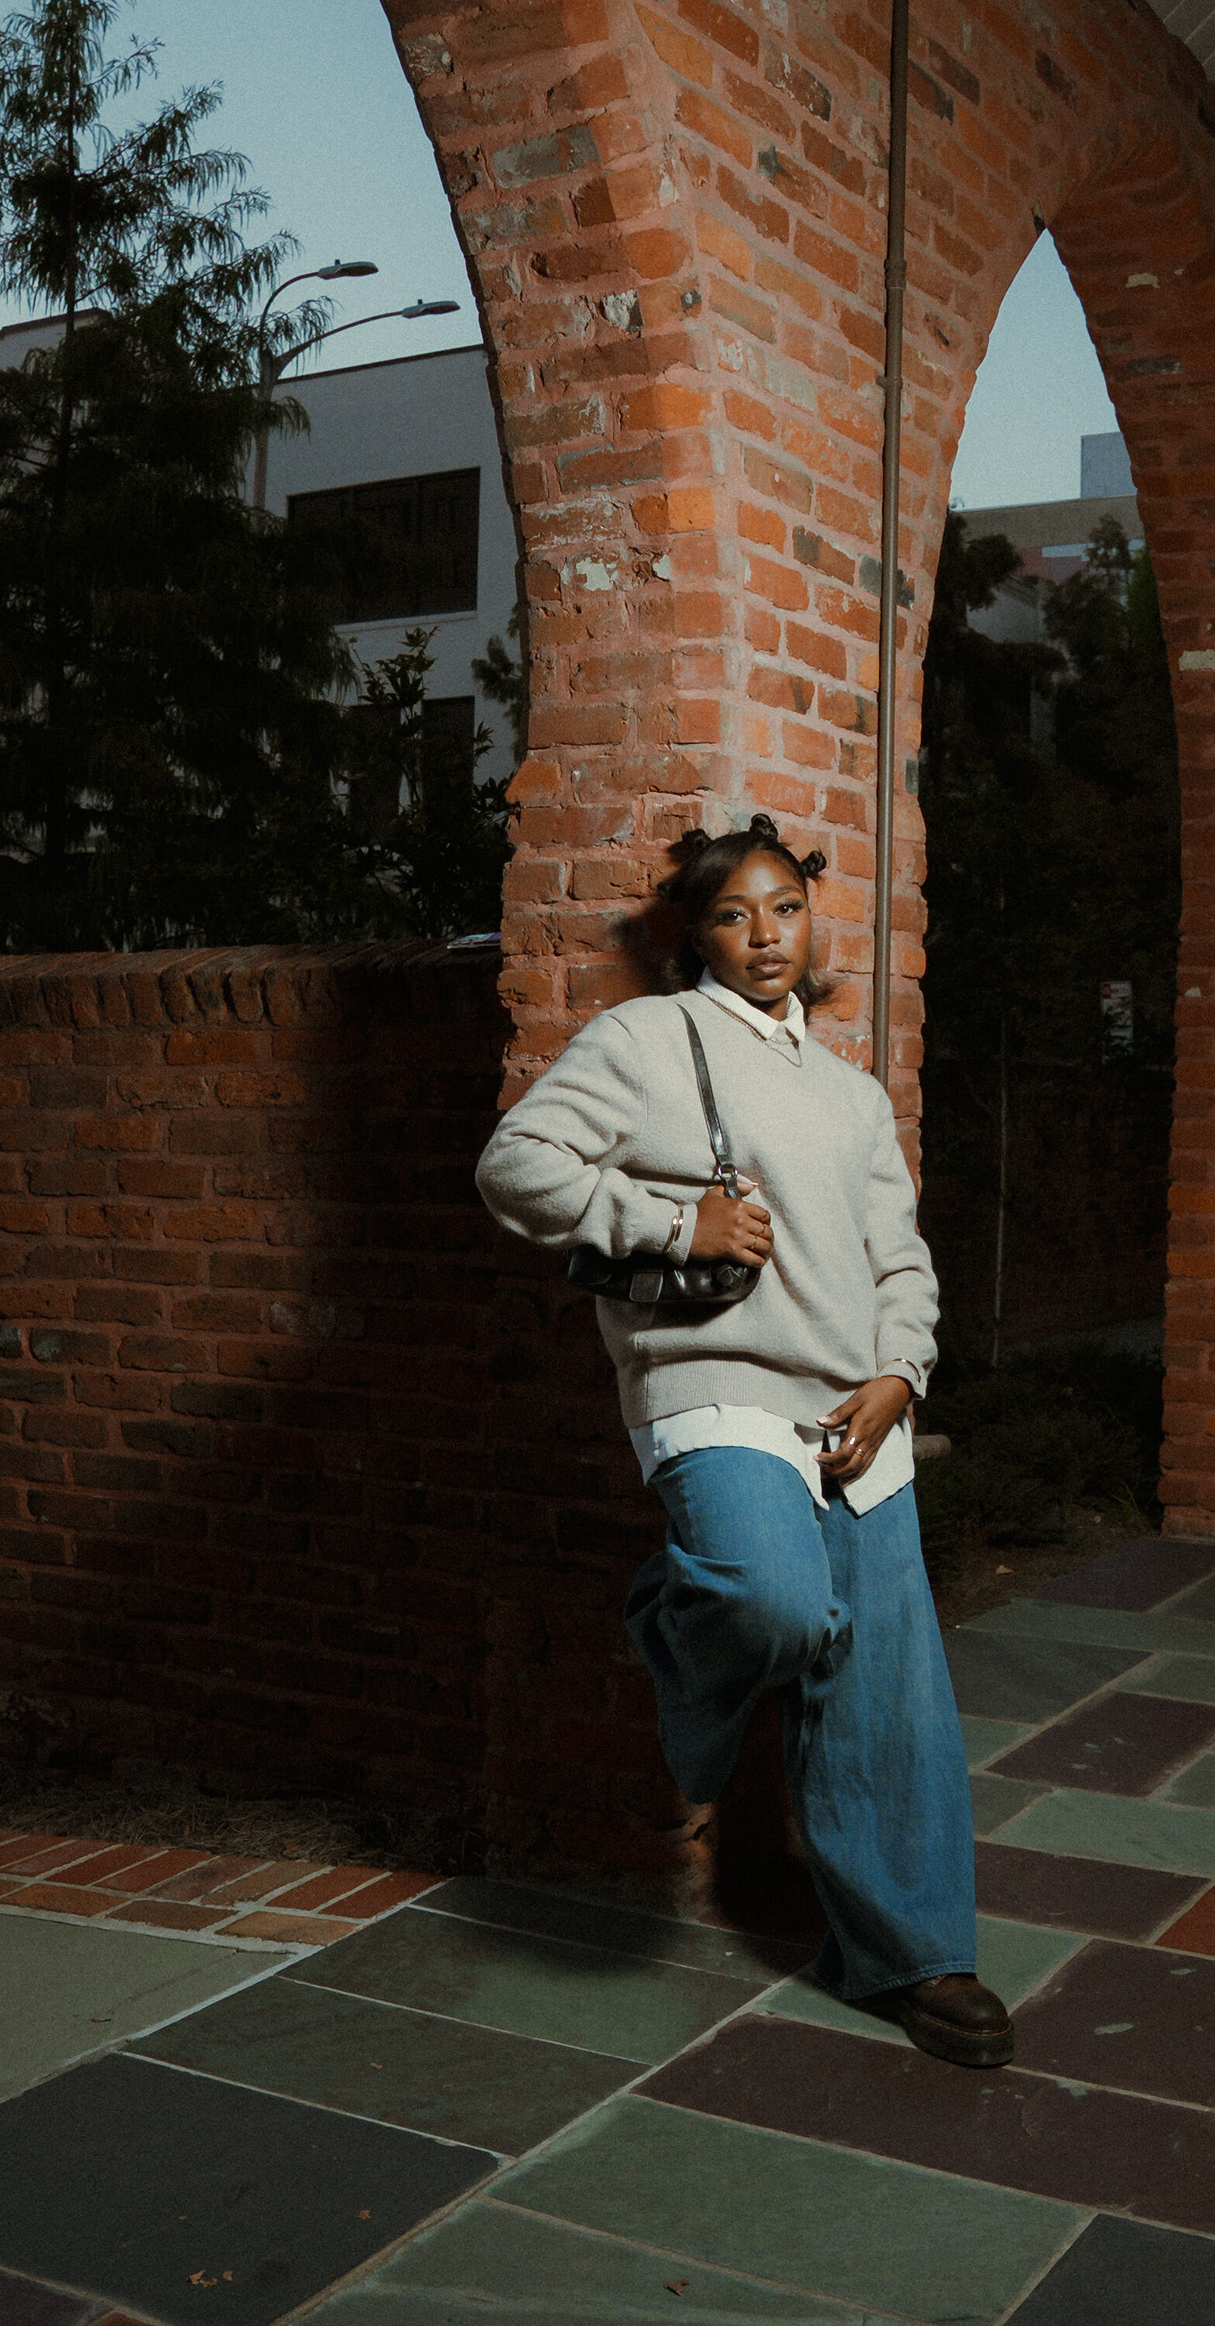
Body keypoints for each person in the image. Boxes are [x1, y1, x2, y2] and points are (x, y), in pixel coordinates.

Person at [475, 815, 1013, 2067]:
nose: (765, 936)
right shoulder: (649, 1040)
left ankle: (914, 1958)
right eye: (733, 915)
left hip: (852, 1408)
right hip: (713, 1382)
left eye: (785, 909)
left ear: (810, 922)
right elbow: (516, 1165)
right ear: (697, 935)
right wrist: (673, 1225)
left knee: (889, 1693)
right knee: (769, 1600)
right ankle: (673, 1620)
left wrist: (899, 1376)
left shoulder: (852, 1093)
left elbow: (899, 1262)